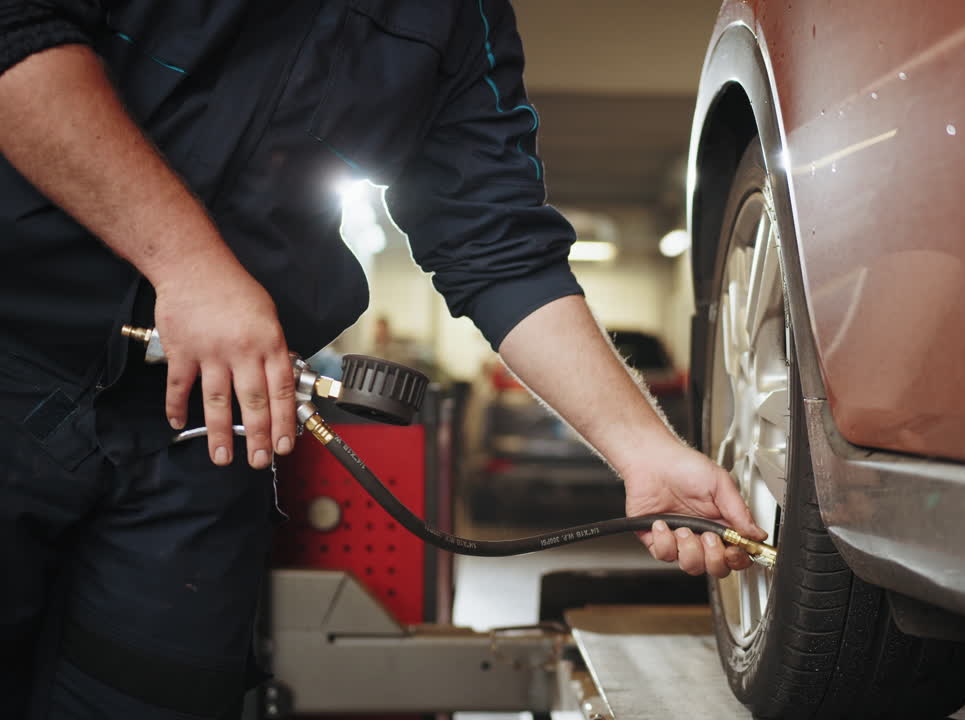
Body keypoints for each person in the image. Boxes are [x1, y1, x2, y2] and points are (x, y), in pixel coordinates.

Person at [0, 2, 766, 717]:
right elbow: (17, 34)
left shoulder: (457, 19)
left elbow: (496, 246)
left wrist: (645, 449)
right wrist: (189, 266)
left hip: (209, 432)